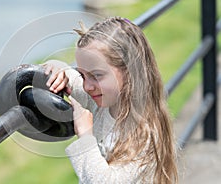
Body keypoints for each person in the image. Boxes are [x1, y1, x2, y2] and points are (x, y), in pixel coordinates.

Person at [42, 16, 178, 183]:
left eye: (97, 75)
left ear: (130, 72)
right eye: (83, 75)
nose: (87, 86)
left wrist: (85, 135)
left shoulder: (143, 131)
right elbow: (64, 71)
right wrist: (56, 68)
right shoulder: (99, 98)